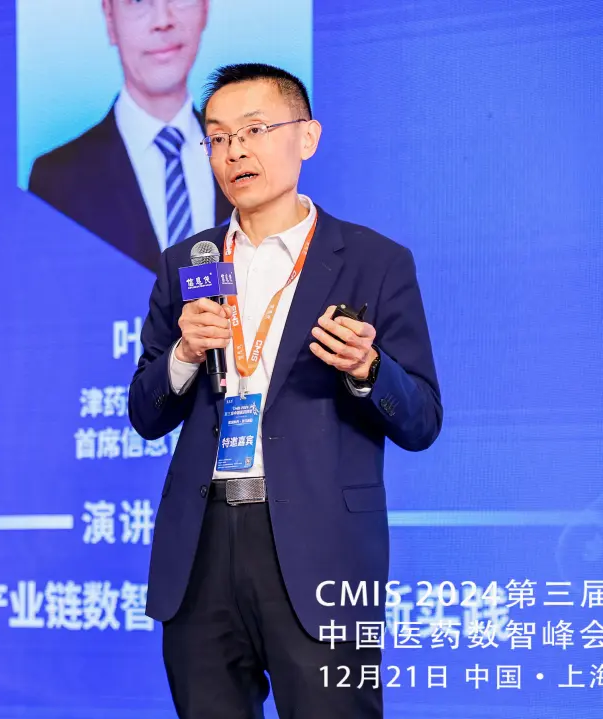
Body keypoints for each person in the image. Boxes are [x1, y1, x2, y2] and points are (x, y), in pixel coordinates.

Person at [128, 63, 443, 718]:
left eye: (254, 130)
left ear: (307, 137)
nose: (234, 152)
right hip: (202, 549)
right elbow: (144, 412)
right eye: (218, 137)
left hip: (321, 548)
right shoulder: (188, 263)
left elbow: (421, 419)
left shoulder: (374, 261)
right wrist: (184, 353)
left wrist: (367, 368)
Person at [28, 0, 233, 272]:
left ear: (205, 8)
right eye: (138, 1)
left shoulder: (248, 157)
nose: (163, 20)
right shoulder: (57, 180)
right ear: (109, 18)